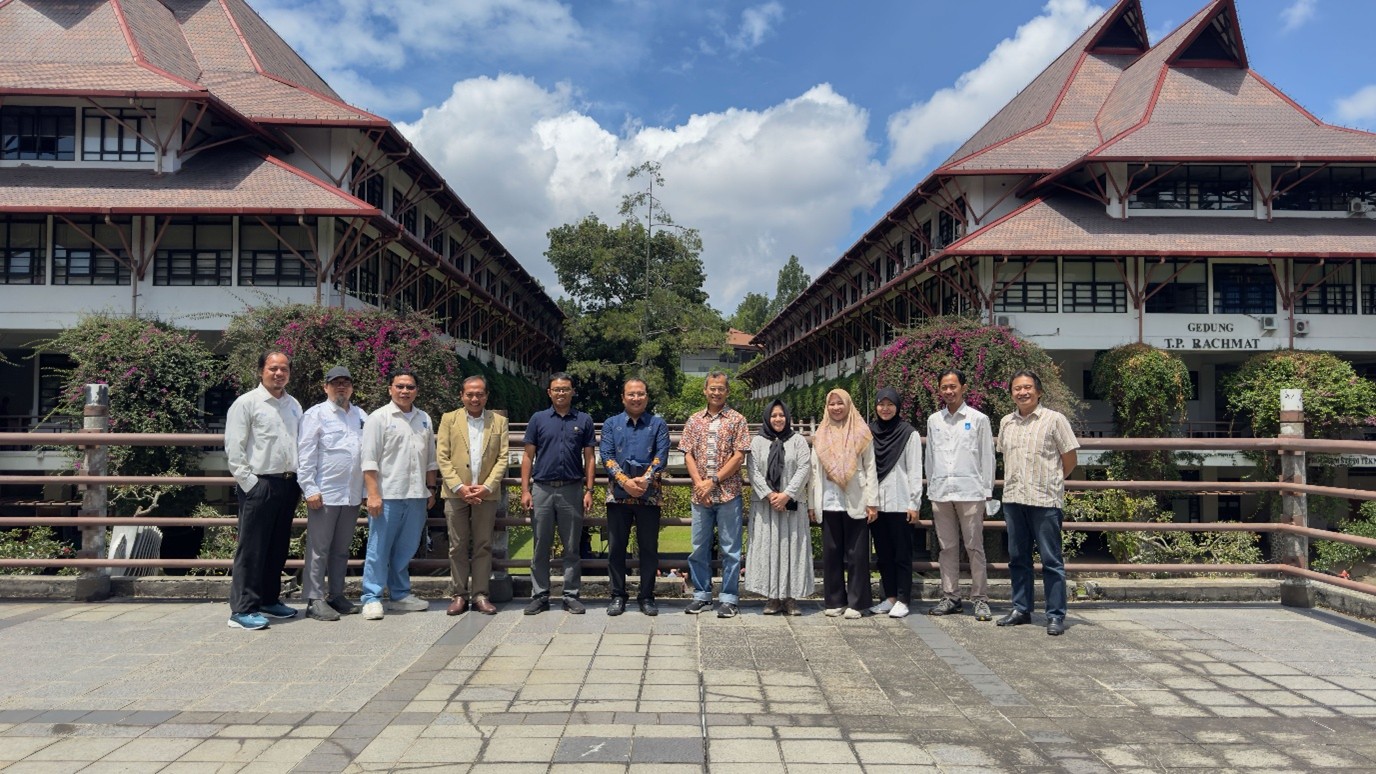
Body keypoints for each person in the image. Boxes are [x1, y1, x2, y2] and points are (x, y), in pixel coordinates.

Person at [995, 370, 1080, 636]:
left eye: (1028, 387)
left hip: (1044, 500)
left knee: (1051, 560)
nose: (1022, 392)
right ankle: (1021, 609)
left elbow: (1070, 459)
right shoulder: (1006, 422)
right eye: (1017, 388)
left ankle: (1055, 615)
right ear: (1011, 393)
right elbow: (1005, 458)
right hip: (1013, 499)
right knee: (1018, 559)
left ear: (1039, 391)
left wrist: (1053, 481)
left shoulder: (1054, 420)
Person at [224, 351, 303, 631]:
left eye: (284, 369)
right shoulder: (247, 403)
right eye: (273, 368)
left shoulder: (294, 405)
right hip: (260, 483)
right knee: (252, 548)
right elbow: (234, 449)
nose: (278, 373)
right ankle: (243, 609)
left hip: (288, 482)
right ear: (261, 371)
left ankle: (269, 600)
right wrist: (251, 484)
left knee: (277, 546)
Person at [359, 369, 438, 620]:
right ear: (390, 389)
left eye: (410, 387)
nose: (405, 391)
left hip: (416, 494)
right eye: (400, 386)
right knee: (379, 547)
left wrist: (431, 489)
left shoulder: (424, 418)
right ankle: (371, 597)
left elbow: (430, 460)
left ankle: (400, 594)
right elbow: (369, 460)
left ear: (417, 390)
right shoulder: (378, 418)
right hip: (387, 494)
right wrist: (372, 494)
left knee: (406, 548)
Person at [520, 373, 595, 615]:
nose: (561, 393)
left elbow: (590, 458)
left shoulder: (583, 420)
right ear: (549, 392)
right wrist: (525, 490)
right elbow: (528, 456)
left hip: (572, 489)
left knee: (571, 546)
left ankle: (571, 594)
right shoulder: (538, 419)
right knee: (541, 544)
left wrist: (589, 489)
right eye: (556, 389)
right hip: (542, 488)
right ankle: (540, 595)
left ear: (573, 391)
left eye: (565, 389)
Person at [297, 365, 367, 622]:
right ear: (325, 387)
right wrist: (309, 488)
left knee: (341, 549)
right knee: (319, 548)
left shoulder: (361, 415)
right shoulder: (316, 414)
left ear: (351, 387)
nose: (341, 387)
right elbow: (305, 454)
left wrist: (366, 490)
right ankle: (314, 599)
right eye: (335, 382)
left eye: (346, 382)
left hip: (351, 494)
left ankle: (336, 594)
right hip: (324, 493)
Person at [925, 369, 996, 621]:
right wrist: (932, 487)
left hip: (971, 491)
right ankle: (951, 596)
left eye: (953, 386)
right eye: (944, 386)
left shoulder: (979, 419)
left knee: (974, 546)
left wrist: (987, 492)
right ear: (939, 389)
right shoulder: (934, 420)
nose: (949, 391)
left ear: (963, 387)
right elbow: (930, 458)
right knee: (946, 547)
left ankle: (980, 599)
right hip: (941, 492)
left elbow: (987, 456)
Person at [679, 371, 751, 618]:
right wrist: (700, 484)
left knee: (731, 549)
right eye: (712, 388)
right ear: (705, 390)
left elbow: (739, 455)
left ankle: (729, 598)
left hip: (728, 493)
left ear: (727, 392)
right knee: (699, 547)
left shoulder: (737, 420)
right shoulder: (694, 420)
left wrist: (713, 481)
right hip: (700, 495)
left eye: (721, 388)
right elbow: (687, 453)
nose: (716, 392)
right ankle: (701, 595)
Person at [436, 375, 509, 616]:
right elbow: (443, 456)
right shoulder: (449, 419)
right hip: (456, 493)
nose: (475, 398)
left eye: (479, 394)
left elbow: (503, 458)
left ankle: (480, 594)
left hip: (486, 493)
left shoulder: (498, 421)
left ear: (486, 396)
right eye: (470, 394)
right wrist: (459, 487)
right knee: (456, 545)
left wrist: (487, 486)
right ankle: (458, 594)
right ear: (462, 395)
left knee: (483, 545)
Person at [599, 378, 670, 616]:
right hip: (618, 495)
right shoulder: (611, 424)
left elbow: (661, 456)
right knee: (616, 547)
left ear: (647, 397)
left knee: (649, 548)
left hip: (649, 495)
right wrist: (625, 482)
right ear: (623, 397)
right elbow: (606, 455)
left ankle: (647, 596)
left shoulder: (658, 424)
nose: (636, 398)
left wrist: (645, 480)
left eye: (640, 394)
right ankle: (618, 595)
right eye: (631, 394)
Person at [809, 388, 879, 619]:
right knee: (832, 552)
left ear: (848, 405)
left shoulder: (861, 432)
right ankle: (835, 600)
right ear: (826, 407)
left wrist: (873, 502)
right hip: (829, 499)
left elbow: (870, 467)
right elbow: (813, 472)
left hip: (856, 498)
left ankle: (857, 603)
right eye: (832, 404)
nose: (836, 408)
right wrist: (812, 504)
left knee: (857, 553)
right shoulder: (820, 434)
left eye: (840, 403)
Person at [743, 400, 812, 616]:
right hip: (765, 505)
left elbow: (804, 467)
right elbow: (752, 470)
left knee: (792, 547)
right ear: (767, 417)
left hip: (792, 504)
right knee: (768, 548)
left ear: (787, 417)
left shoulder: (798, 441)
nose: (778, 419)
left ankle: (790, 597)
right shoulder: (757, 442)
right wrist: (771, 495)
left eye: (781, 415)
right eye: (774, 415)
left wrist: (786, 494)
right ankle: (772, 596)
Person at [868, 387, 922, 619]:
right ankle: (889, 598)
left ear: (898, 406)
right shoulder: (869, 432)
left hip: (901, 503)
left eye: (890, 404)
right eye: (881, 404)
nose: (885, 408)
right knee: (883, 554)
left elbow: (914, 470)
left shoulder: (908, 433)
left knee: (902, 554)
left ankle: (903, 598)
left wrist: (914, 503)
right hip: (876, 504)